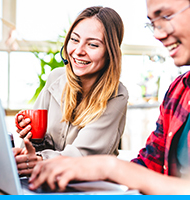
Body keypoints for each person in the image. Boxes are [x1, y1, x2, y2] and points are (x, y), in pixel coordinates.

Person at [28, 0, 190, 194]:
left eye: (166, 16)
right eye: (153, 23)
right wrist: (79, 170)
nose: (158, 34)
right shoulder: (179, 90)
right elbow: (148, 166)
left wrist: (107, 166)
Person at [13, 6, 129, 176]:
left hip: (87, 187)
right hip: (46, 181)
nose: (79, 51)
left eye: (93, 44)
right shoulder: (55, 79)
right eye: (74, 40)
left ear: (110, 53)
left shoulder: (116, 95)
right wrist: (32, 141)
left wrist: (40, 160)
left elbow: (82, 157)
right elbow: (32, 150)